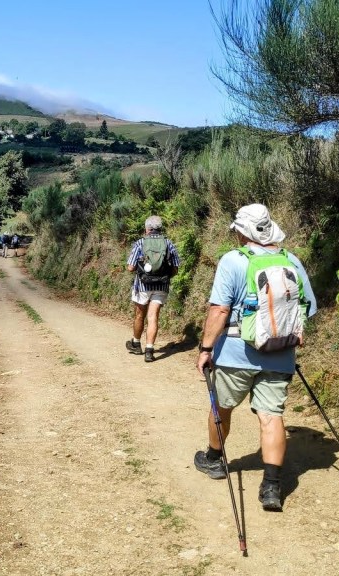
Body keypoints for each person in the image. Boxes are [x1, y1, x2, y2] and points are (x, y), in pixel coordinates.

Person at [193, 204, 317, 511]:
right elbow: (308, 308)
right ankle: (272, 487)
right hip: (280, 353)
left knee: (222, 406)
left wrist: (206, 349)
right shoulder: (291, 260)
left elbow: (219, 310)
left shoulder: (233, 260)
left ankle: (214, 459)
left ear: (241, 232)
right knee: (271, 415)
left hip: (236, 352)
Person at [125, 215, 181, 362]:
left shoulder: (140, 243)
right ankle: (149, 350)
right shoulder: (169, 243)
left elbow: (130, 268)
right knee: (153, 317)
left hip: (142, 285)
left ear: (147, 229)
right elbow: (175, 270)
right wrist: (162, 277)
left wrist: (143, 269)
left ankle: (136, 344)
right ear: (160, 228)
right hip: (161, 286)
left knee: (139, 315)